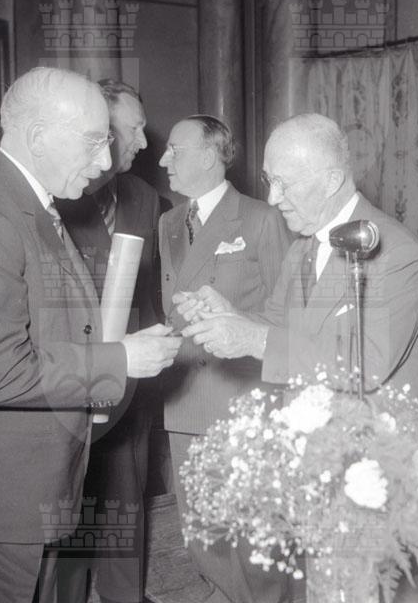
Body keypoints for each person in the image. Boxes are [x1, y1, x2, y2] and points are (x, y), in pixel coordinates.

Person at [0, 67, 182, 603]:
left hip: (37, 486)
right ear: (39, 137)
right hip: (2, 507)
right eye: (93, 141)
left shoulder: (30, 202)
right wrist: (119, 359)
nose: (106, 161)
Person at [179, 112, 418, 449]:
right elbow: (279, 324)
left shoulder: (395, 252)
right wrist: (230, 316)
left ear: (332, 181)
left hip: (398, 452)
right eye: (269, 180)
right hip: (325, 443)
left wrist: (254, 339)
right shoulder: (304, 246)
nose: (272, 198)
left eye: (284, 183)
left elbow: (366, 363)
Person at [158, 114, 292, 603]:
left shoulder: (261, 218)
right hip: (184, 394)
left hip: (242, 400)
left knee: (256, 536)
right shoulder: (169, 222)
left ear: (211, 155)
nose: (163, 159)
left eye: (175, 150)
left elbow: (287, 316)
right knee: (201, 528)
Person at [56, 79, 159, 603]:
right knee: (68, 500)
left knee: (124, 493)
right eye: (134, 129)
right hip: (71, 368)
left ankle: (124, 595)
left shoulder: (144, 196)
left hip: (131, 373)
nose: (143, 141)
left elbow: (151, 285)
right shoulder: (60, 194)